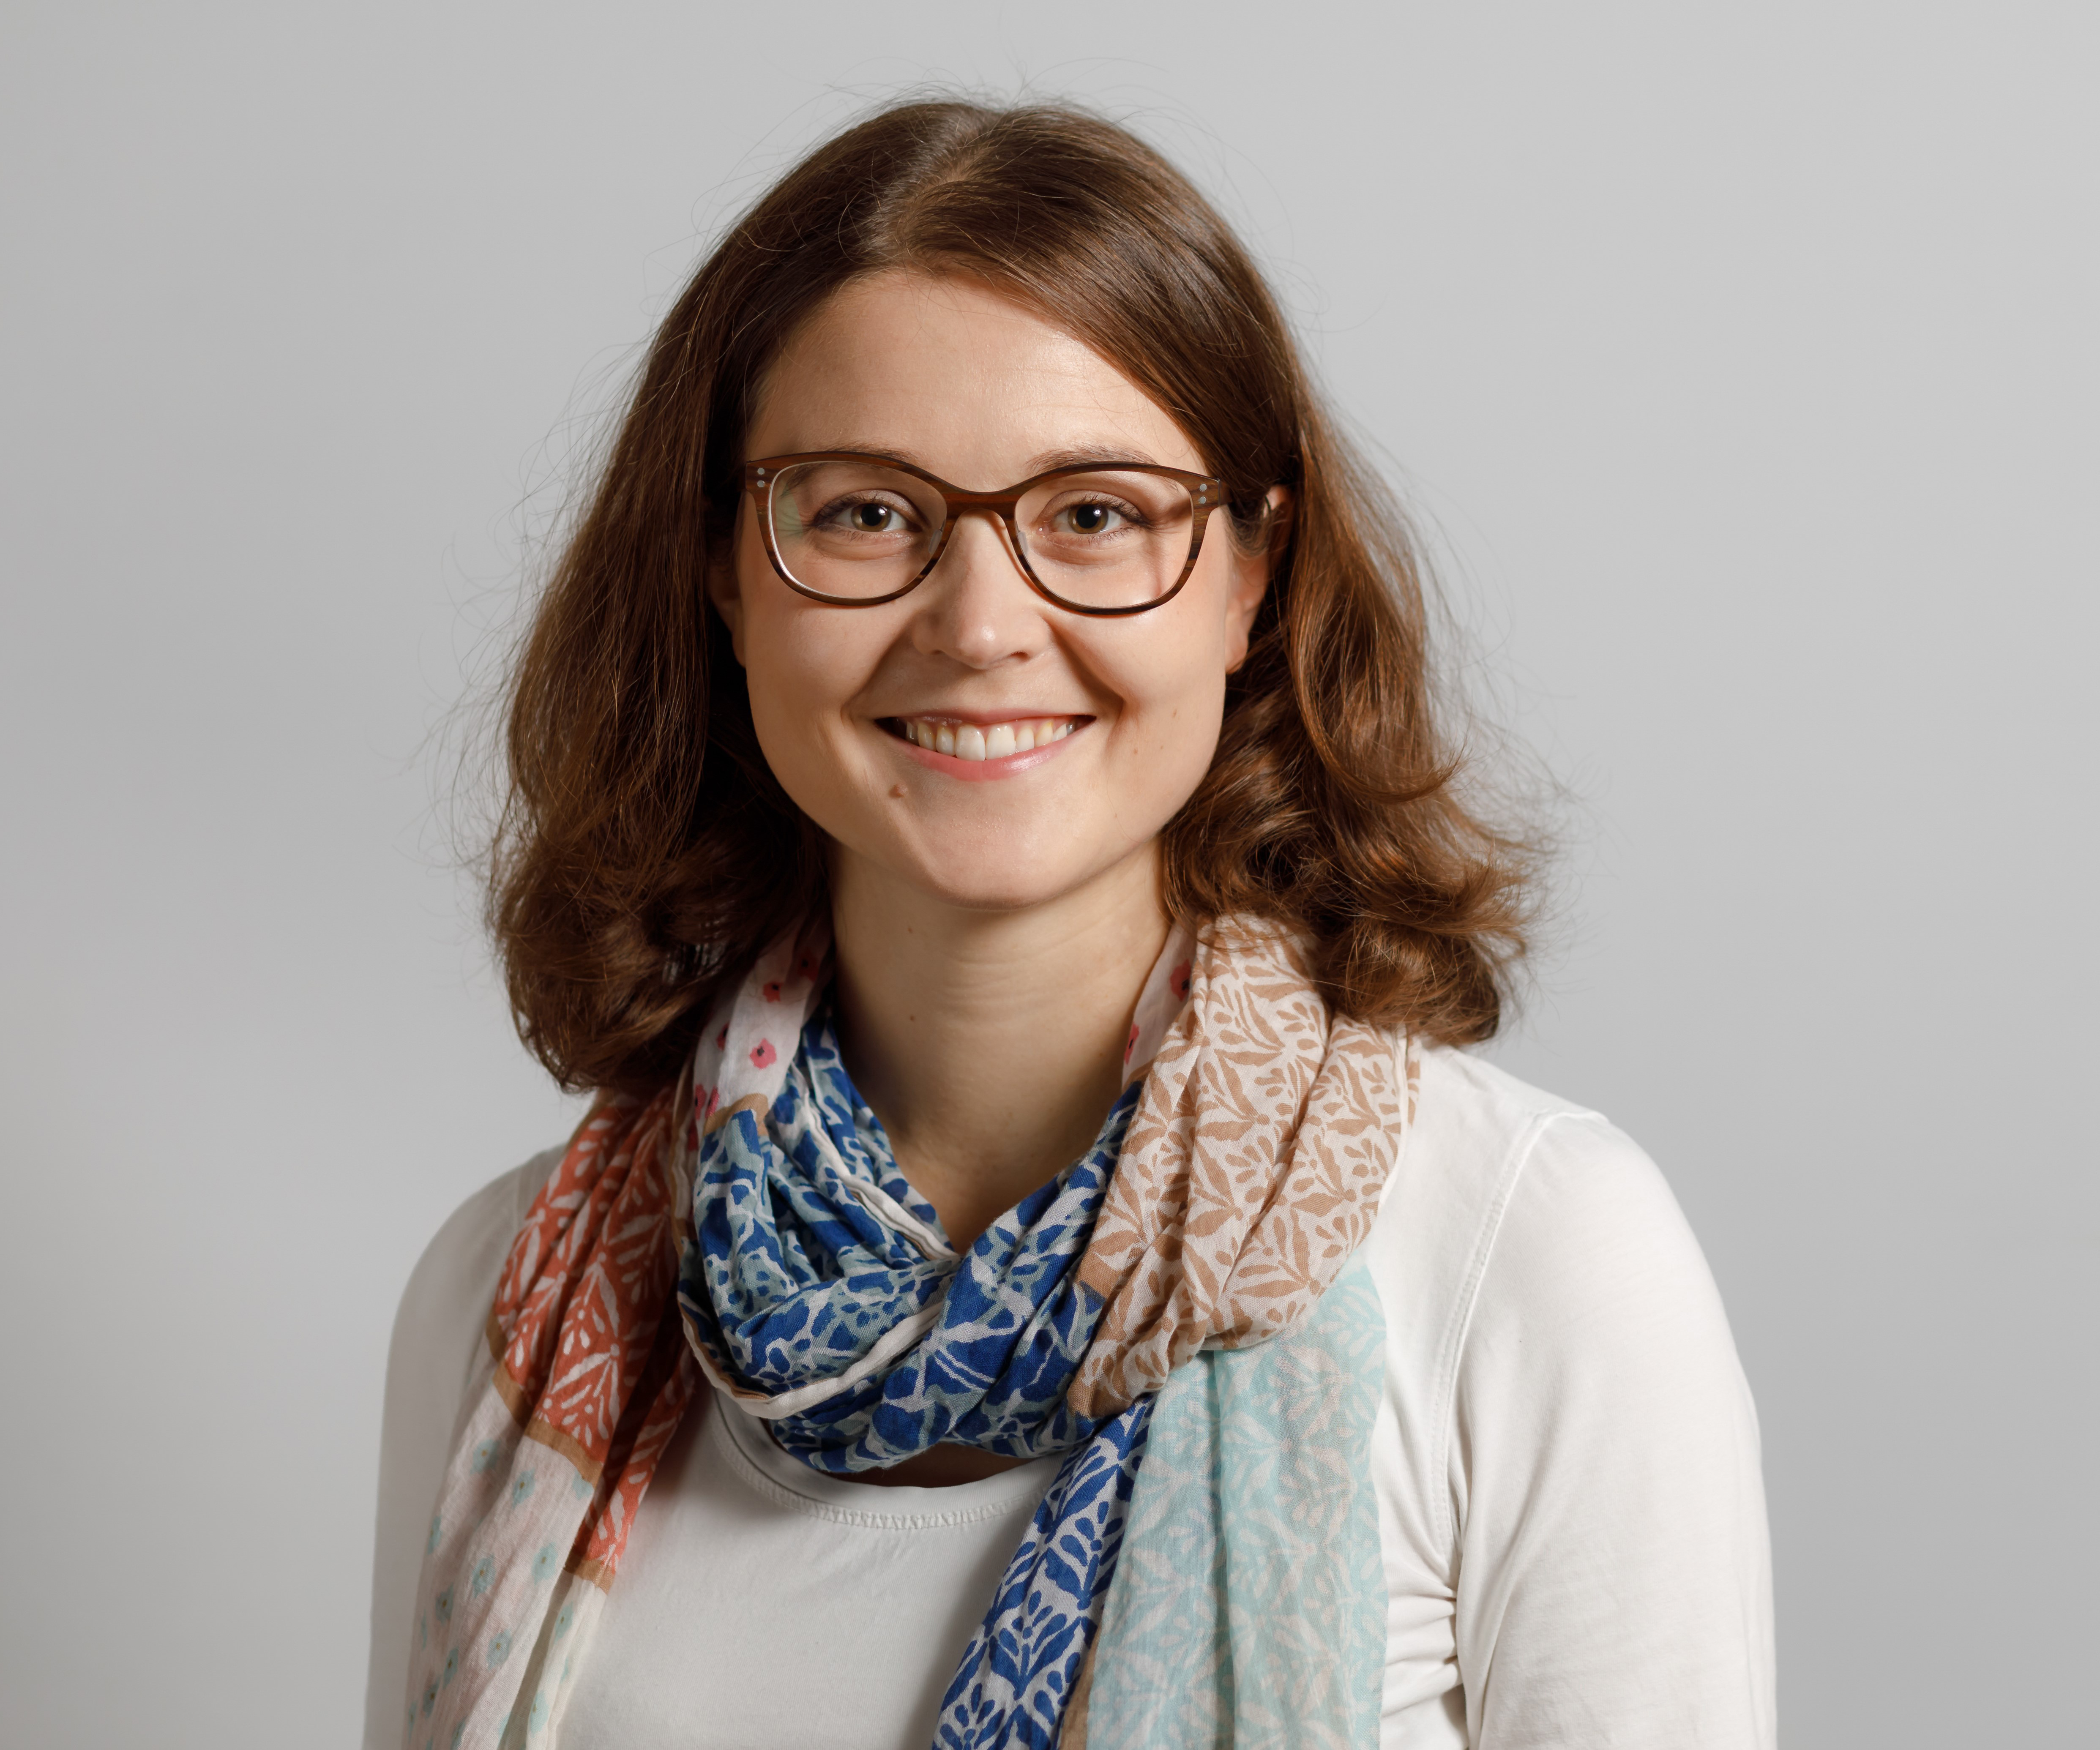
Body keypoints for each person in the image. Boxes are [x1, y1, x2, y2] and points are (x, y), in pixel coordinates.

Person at [364, 99, 1774, 1750]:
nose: (978, 625)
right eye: (864, 511)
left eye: (1096, 515)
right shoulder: (517, 1299)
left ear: (1252, 571)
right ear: (723, 574)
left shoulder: (1529, 1260)